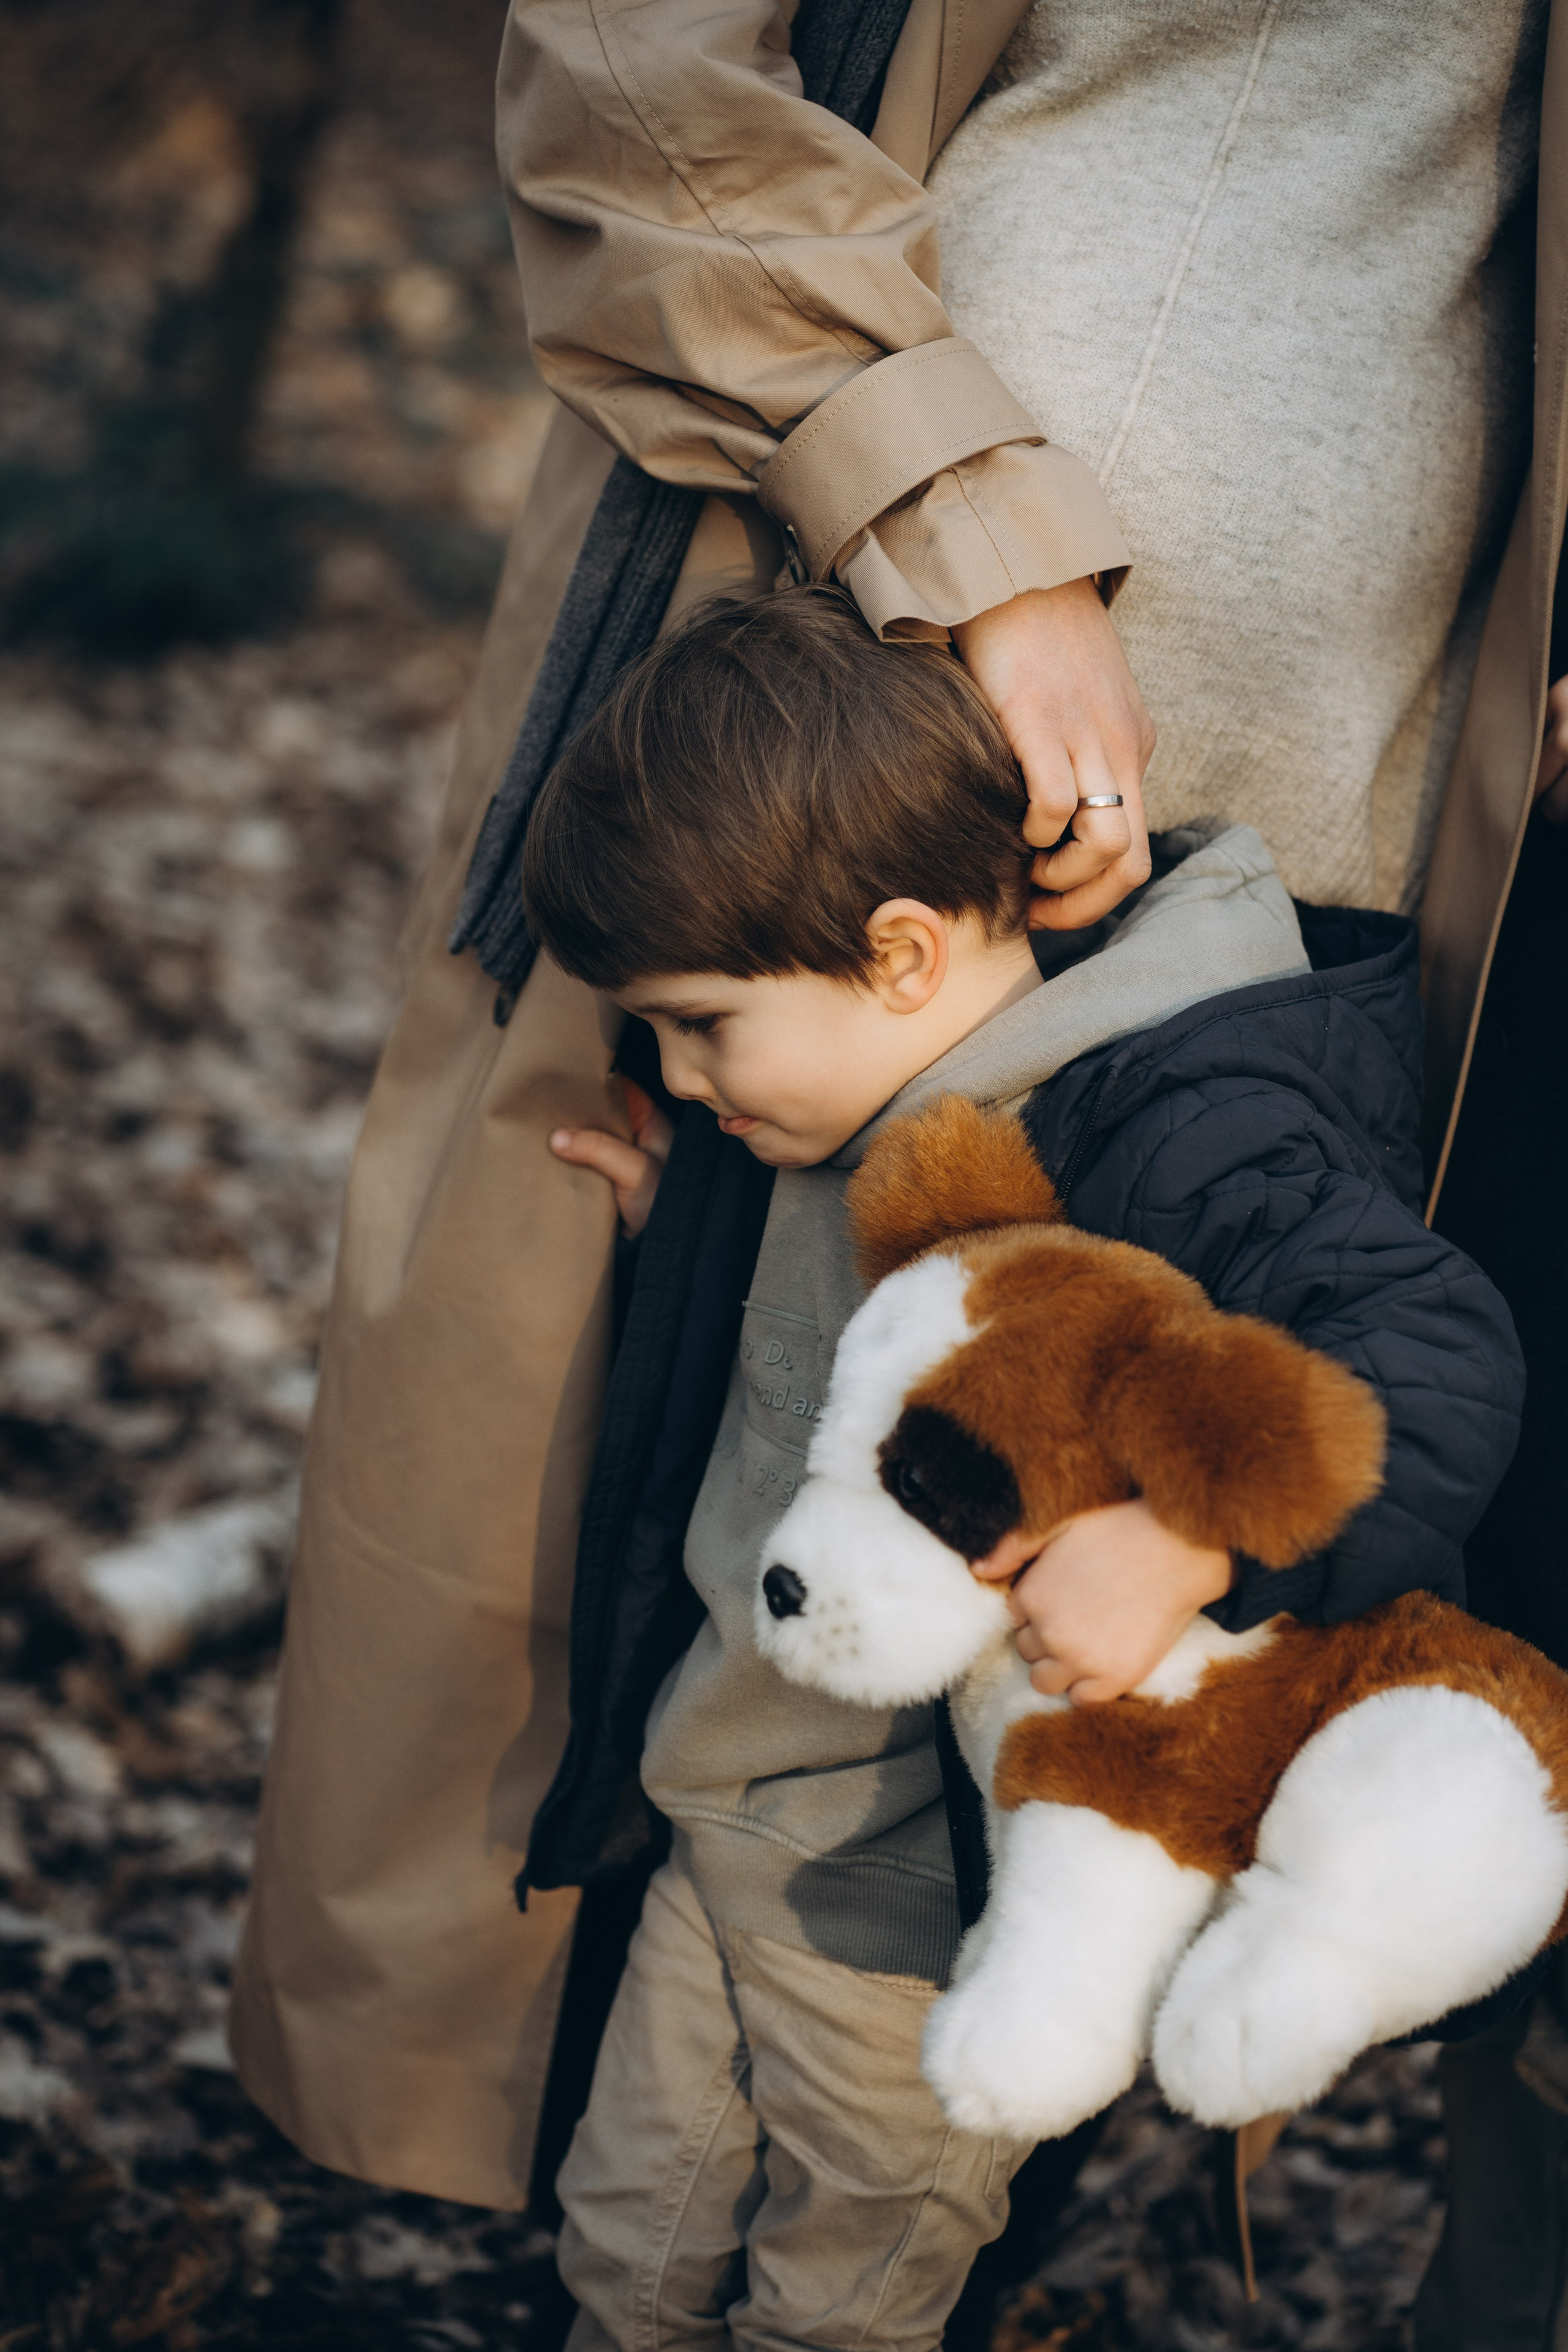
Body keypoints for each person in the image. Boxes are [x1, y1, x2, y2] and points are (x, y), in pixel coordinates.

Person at [228, 1, 1568, 2328]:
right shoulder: (803, 1026)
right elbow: (629, 64)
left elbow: (1390, 1382)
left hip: (1366, 834)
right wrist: (960, 521)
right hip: (862, 716)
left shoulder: (1214, 1070)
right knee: (778, 1535)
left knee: (1128, 1477)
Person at [512, 584, 1522, 2351]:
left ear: (903, 953)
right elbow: (885, 1359)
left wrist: (1192, 1548)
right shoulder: (858, 1072)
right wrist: (696, 1250)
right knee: (628, 2248)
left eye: (700, 1026)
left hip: (916, 1904)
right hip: (725, 1817)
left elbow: (1437, 1355)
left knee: (837, 2302)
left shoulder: (1176, 1121)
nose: (680, 1074)